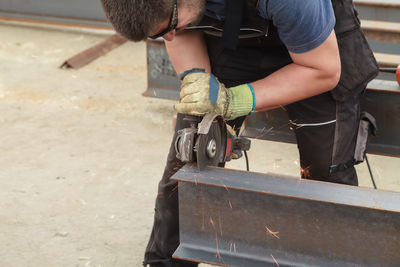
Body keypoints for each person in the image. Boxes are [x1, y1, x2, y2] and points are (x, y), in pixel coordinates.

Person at [100, 0, 379, 266]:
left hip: (316, 47)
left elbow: (324, 70)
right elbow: (179, 31)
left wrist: (238, 100)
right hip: (231, 39)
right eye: (161, 34)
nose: (168, 37)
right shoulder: (174, 16)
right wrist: (198, 78)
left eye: (169, 26)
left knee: (327, 172)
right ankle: (164, 262)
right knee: (188, 161)